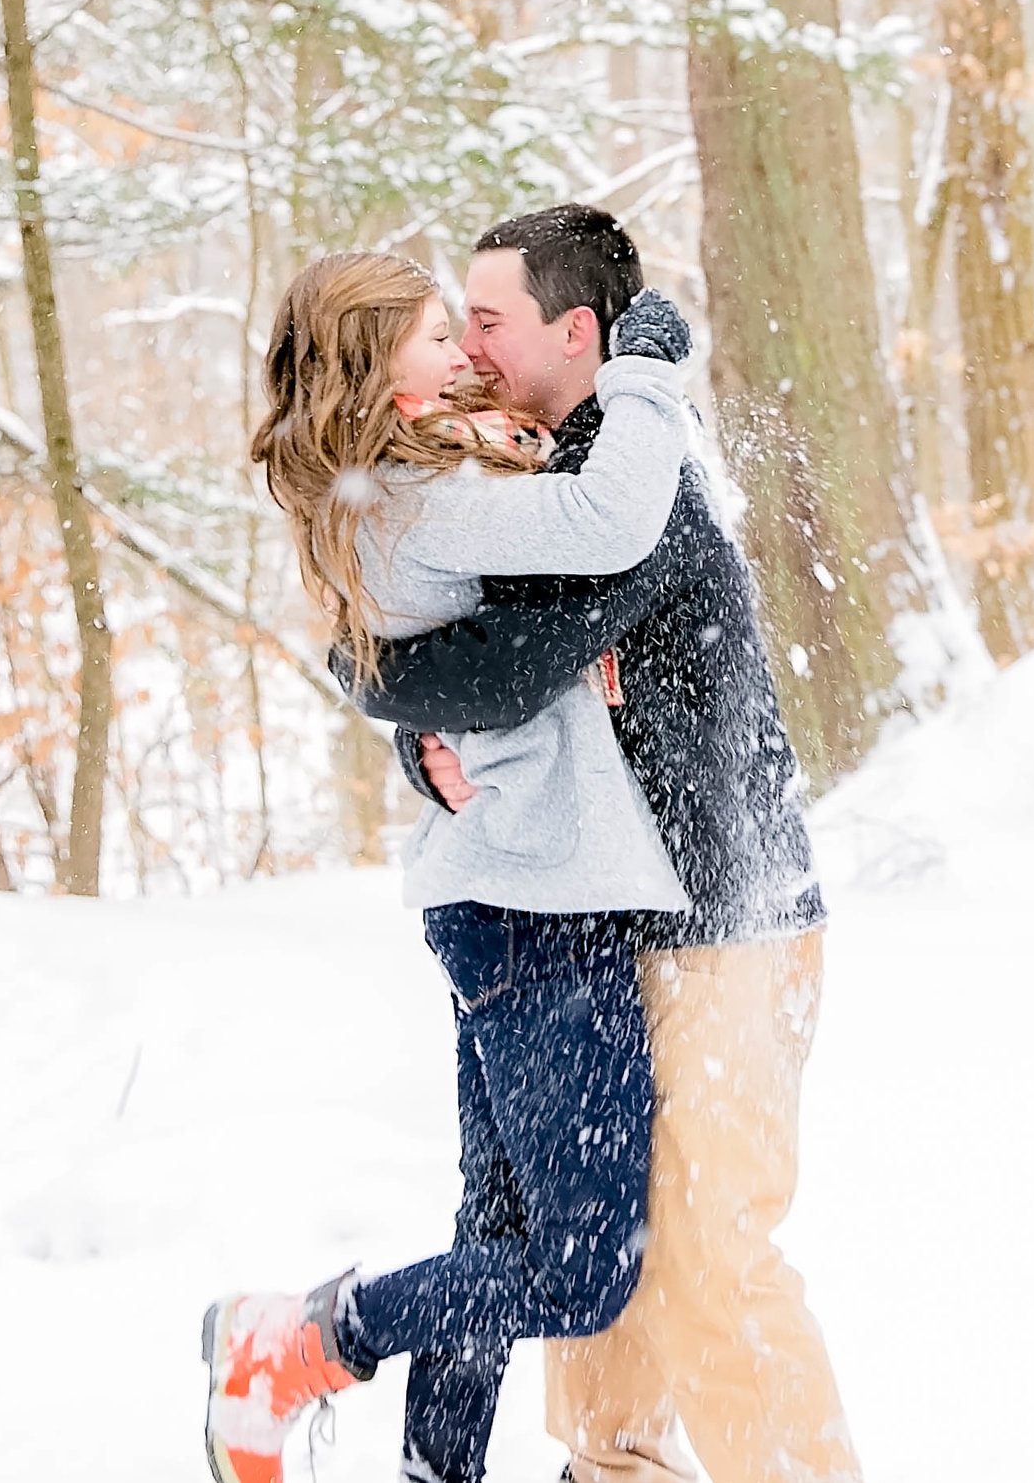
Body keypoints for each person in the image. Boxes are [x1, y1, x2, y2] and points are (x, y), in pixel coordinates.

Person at [354, 204, 863, 1483]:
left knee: (709, 1249)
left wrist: (373, 683)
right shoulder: (533, 461)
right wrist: (411, 731)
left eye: (487, 320)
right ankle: (612, 1469)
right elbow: (470, 638)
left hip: (727, 910)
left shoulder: (641, 476)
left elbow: (512, 661)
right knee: (622, 1236)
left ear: (575, 333)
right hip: (611, 916)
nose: (466, 343)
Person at [203, 250, 704, 1483]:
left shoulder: (403, 486)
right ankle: (298, 1339)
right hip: (535, 901)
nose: (464, 349)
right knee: (579, 1268)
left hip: (506, 892)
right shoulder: (412, 499)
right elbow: (608, 521)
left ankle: (439, 1469)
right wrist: (645, 369)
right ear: (379, 374)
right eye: (438, 333)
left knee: (497, 1232)